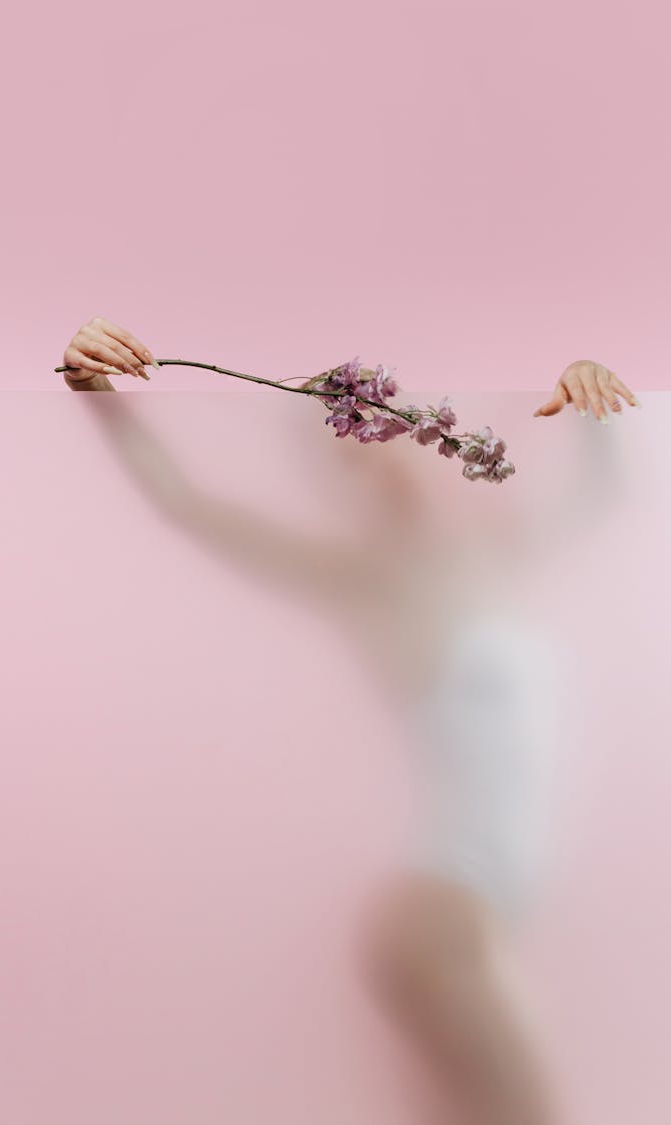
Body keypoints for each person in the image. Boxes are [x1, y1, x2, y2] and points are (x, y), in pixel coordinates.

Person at [59, 316, 640, 1124]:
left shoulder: (495, 550)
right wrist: (95, 393)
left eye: (387, 438)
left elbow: (606, 493)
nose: (376, 468)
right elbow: (185, 505)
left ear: (424, 438)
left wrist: (592, 391)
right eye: (349, 457)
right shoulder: (364, 582)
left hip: (465, 912)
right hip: (445, 912)